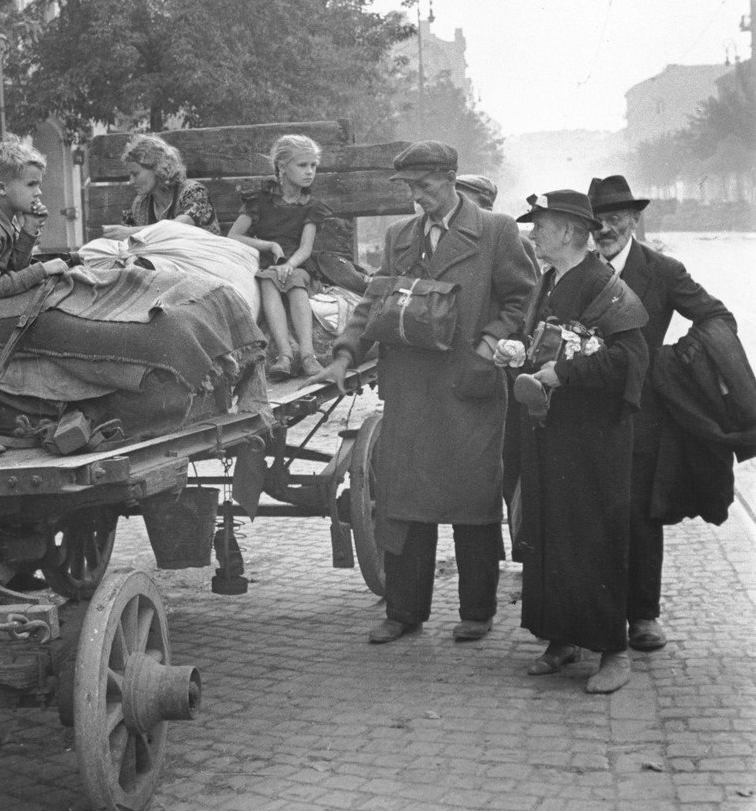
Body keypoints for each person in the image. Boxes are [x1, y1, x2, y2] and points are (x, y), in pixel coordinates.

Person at [309, 140, 537, 644]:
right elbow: (375, 299)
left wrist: (487, 346)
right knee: (402, 497)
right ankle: (405, 610)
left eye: (425, 185)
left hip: (468, 386)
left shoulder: (496, 231)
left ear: (451, 178)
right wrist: (345, 353)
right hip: (410, 386)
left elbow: (524, 297)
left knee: (472, 498)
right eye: (409, 187)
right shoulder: (400, 236)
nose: (417, 197)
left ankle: (477, 610)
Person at [497, 190, 648, 694]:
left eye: (540, 226)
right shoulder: (550, 278)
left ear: (568, 232)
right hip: (548, 432)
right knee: (548, 532)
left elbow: (630, 359)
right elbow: (546, 341)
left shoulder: (603, 283)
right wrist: (517, 354)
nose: (534, 233)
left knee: (594, 538)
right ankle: (559, 638)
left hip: (593, 438)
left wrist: (564, 373)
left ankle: (613, 651)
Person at [588, 174, 735, 653]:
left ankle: (643, 616)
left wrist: (674, 361)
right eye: (597, 220)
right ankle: (588, 615)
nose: (605, 229)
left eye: (614, 219)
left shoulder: (664, 271)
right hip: (584, 406)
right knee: (586, 510)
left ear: (633, 220)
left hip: (642, 410)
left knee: (638, 511)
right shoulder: (575, 268)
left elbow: (717, 317)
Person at [0, 137, 70, 458]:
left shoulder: (2, 219)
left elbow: (12, 268)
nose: (39, 192)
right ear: (2, 188)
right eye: (31, 184)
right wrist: (43, 270)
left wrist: (30, 232)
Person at [227, 134, 330, 381]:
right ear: (282, 167)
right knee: (268, 279)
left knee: (293, 280)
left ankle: (308, 354)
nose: (309, 172)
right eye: (302, 165)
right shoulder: (260, 200)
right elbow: (234, 236)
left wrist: (291, 264)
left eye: (313, 166)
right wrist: (268, 244)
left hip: (299, 265)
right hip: (269, 264)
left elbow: (306, 248)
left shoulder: (310, 205)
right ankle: (284, 353)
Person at [119, 133, 220, 234]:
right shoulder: (139, 205)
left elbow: (179, 227)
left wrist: (129, 232)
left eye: (135, 174)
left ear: (156, 168)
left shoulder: (195, 192)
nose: (131, 181)